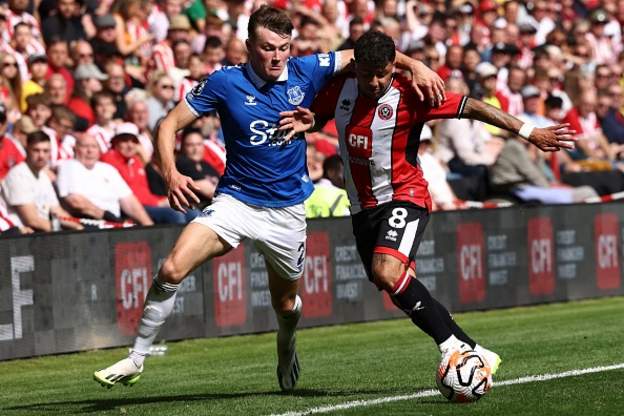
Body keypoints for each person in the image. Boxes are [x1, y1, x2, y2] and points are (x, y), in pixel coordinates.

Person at [93, 5, 445, 392]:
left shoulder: (307, 70)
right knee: (172, 269)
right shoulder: (223, 83)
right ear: (248, 46)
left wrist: (417, 66)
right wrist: (171, 172)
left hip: (287, 213)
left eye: (284, 47)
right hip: (235, 202)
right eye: (268, 48)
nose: (277, 56)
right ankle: (136, 358)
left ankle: (287, 343)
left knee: (285, 307)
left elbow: (362, 54)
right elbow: (168, 124)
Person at [279, 31, 576, 379]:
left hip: (405, 195)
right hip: (361, 206)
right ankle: (476, 350)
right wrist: (311, 121)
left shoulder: (413, 94)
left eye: (383, 74)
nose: (374, 82)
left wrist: (530, 132)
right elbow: (319, 114)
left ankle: (452, 345)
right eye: (366, 74)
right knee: (398, 284)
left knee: (386, 271)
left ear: (393, 68)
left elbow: (472, 107)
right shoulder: (339, 88)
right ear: (355, 67)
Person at [1, 131, 81, 232]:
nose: (41, 156)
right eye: (36, 150)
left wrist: (78, 225)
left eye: (45, 151)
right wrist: (63, 232)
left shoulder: (43, 176)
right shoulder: (18, 175)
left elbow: (58, 212)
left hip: (45, 233)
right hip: (21, 237)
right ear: (27, 149)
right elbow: (32, 220)